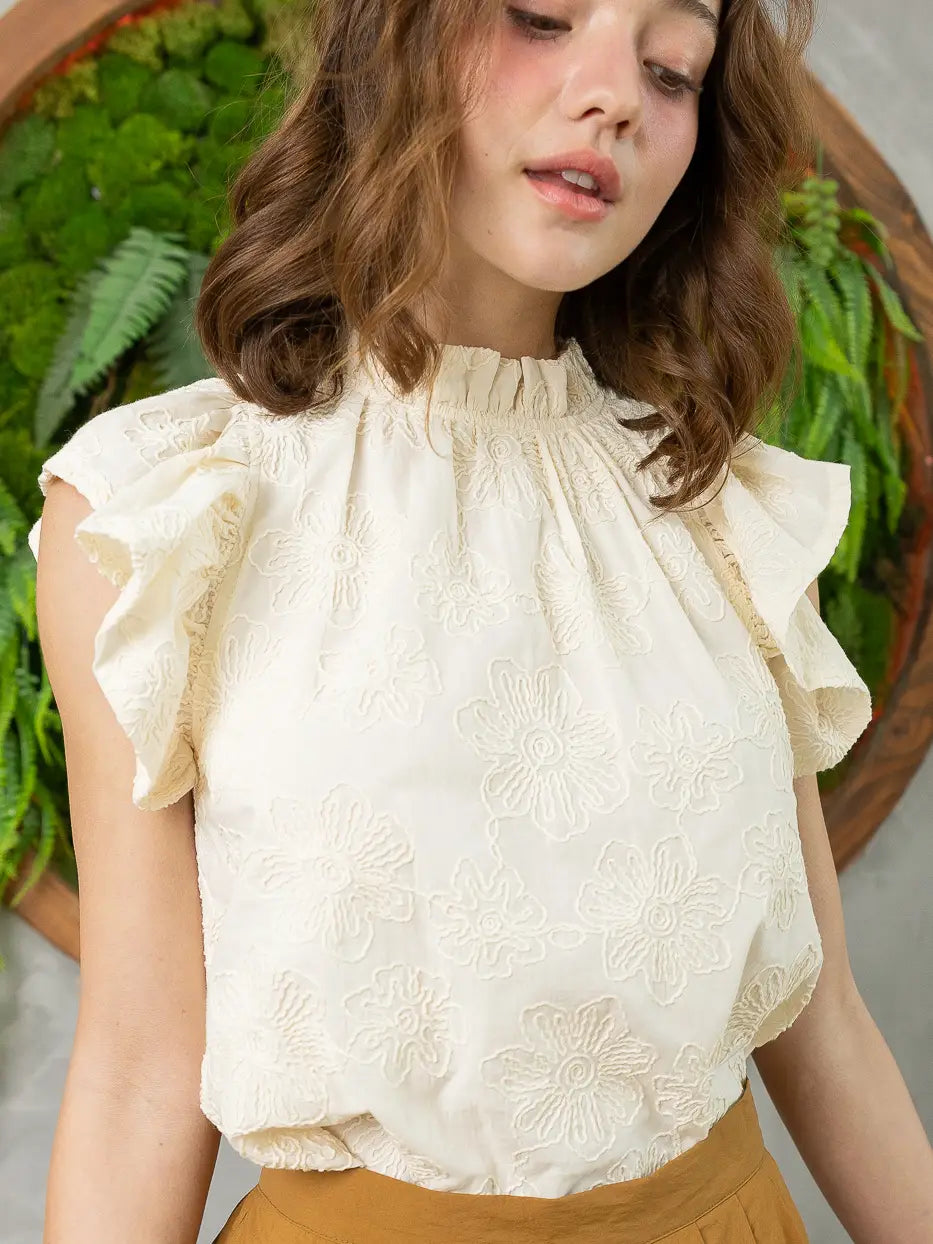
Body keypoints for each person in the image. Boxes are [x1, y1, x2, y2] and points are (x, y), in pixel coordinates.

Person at [28, 0, 933, 1240]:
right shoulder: (170, 511)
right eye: (545, 16)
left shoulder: (714, 506)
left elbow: (820, 1020)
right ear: (392, 35)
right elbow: (139, 1074)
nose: (616, 93)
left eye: (673, 70)